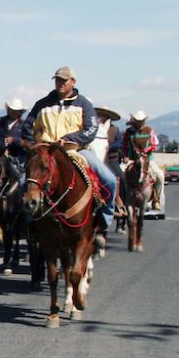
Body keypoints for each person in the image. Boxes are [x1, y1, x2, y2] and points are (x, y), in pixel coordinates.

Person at [20, 66, 118, 250]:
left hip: (76, 151)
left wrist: (69, 139)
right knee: (22, 182)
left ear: (73, 82)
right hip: (46, 153)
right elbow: (27, 128)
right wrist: (38, 145)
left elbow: (90, 129)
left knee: (110, 180)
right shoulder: (42, 104)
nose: (60, 84)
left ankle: (103, 221)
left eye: (64, 80)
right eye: (57, 80)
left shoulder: (84, 104)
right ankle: (28, 221)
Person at [121, 110, 165, 210]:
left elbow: (154, 145)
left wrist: (146, 150)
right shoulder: (128, 132)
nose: (139, 123)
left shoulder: (149, 130)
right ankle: (120, 200)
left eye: (141, 121)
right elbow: (124, 146)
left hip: (147, 160)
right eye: (137, 121)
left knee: (160, 176)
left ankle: (156, 199)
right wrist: (125, 155)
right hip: (132, 159)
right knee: (119, 177)